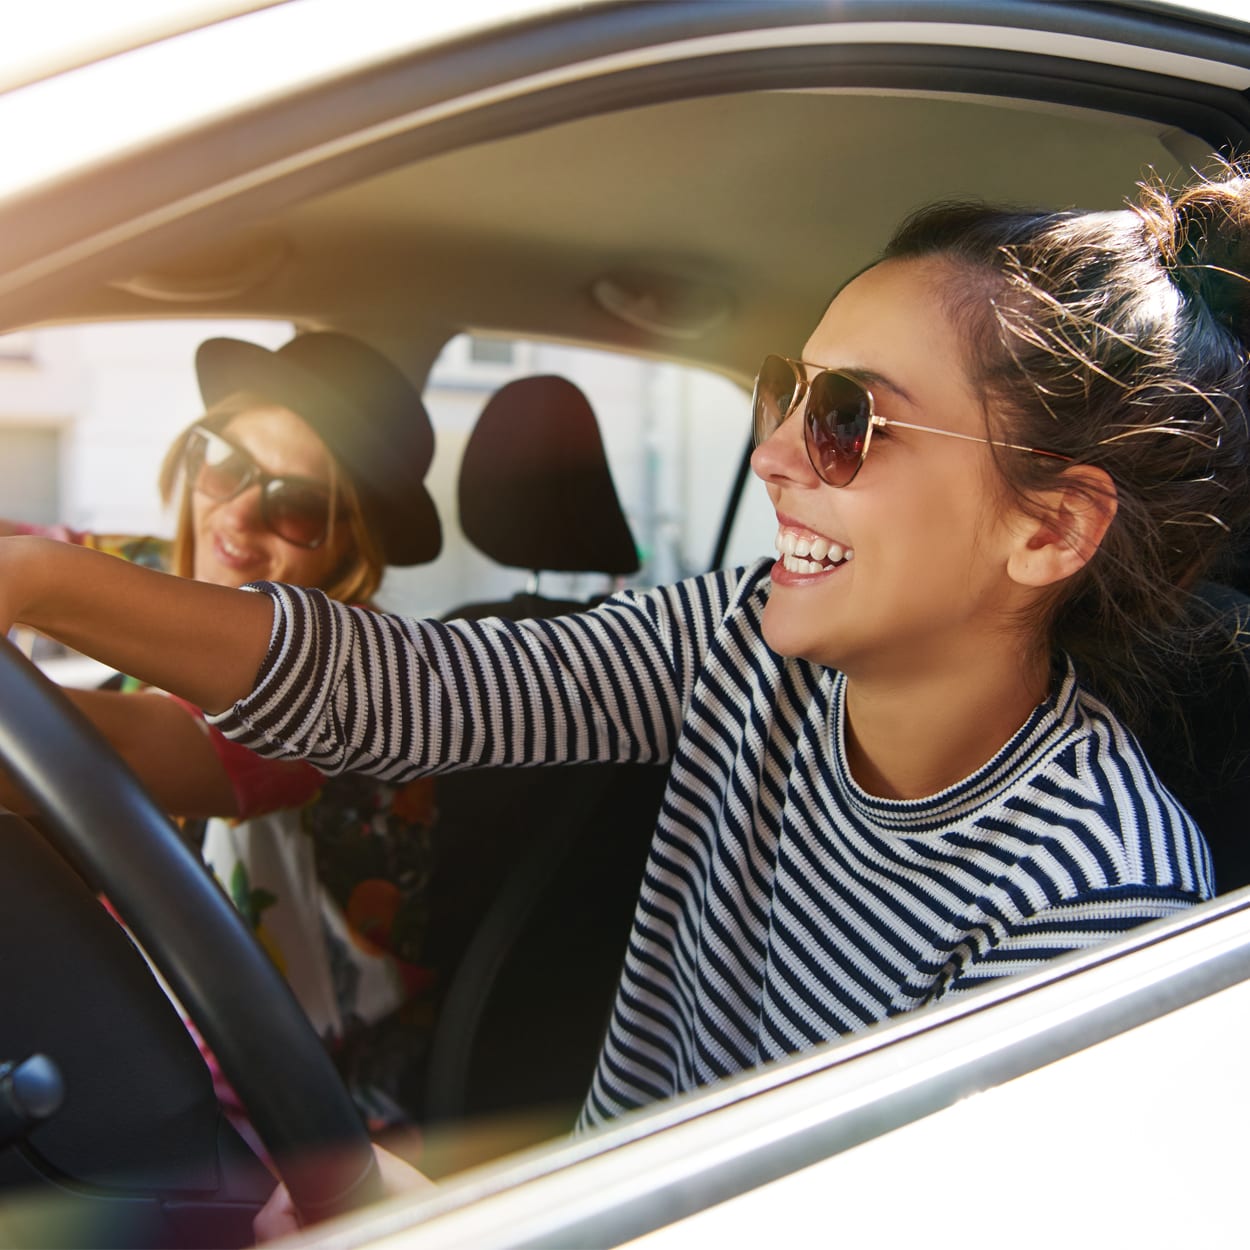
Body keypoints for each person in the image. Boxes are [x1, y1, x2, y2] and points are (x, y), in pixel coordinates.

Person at [4, 159, 1250, 1229]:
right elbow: (414, 688)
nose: (769, 453)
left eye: (847, 418)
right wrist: (40, 579)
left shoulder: (1094, 900)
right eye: (785, 386)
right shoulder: (739, 640)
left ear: (1047, 527)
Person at [0, 330, 445, 1132]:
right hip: (137, 1055)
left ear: (352, 547)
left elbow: (129, 748)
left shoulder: (356, 685)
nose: (237, 516)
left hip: (295, 1132)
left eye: (297, 505)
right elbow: (41, 541)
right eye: (225, 465)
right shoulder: (165, 579)